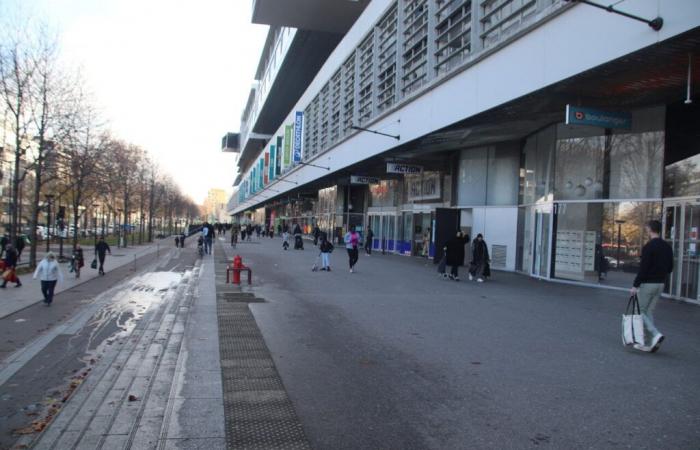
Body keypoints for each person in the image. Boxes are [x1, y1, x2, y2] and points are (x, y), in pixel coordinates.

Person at [630, 220, 673, 353]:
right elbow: (671, 267)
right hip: (660, 283)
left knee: (639, 311)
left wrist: (635, 286)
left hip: (648, 284)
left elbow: (643, 268)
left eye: (647, 228)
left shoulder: (649, 246)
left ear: (649, 229)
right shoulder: (667, 247)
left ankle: (655, 334)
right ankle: (650, 343)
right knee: (648, 311)